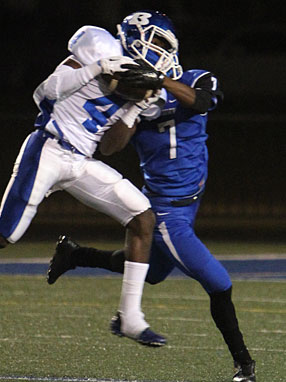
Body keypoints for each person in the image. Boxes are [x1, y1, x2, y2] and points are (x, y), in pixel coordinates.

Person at [0, 26, 168, 346]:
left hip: (81, 162)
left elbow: (109, 147)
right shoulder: (97, 49)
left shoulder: (140, 90)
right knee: (3, 236)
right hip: (49, 149)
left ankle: (130, 318)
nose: (161, 54)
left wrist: (134, 108)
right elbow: (45, 91)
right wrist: (97, 69)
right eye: (159, 42)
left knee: (142, 218)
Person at [46, 10, 256, 382]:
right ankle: (245, 365)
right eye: (152, 42)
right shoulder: (129, 98)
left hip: (190, 202)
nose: (157, 49)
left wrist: (160, 81)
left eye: (161, 42)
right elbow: (110, 147)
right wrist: (133, 107)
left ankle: (75, 254)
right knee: (220, 283)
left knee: (154, 273)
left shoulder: (194, 77)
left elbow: (204, 100)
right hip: (166, 211)